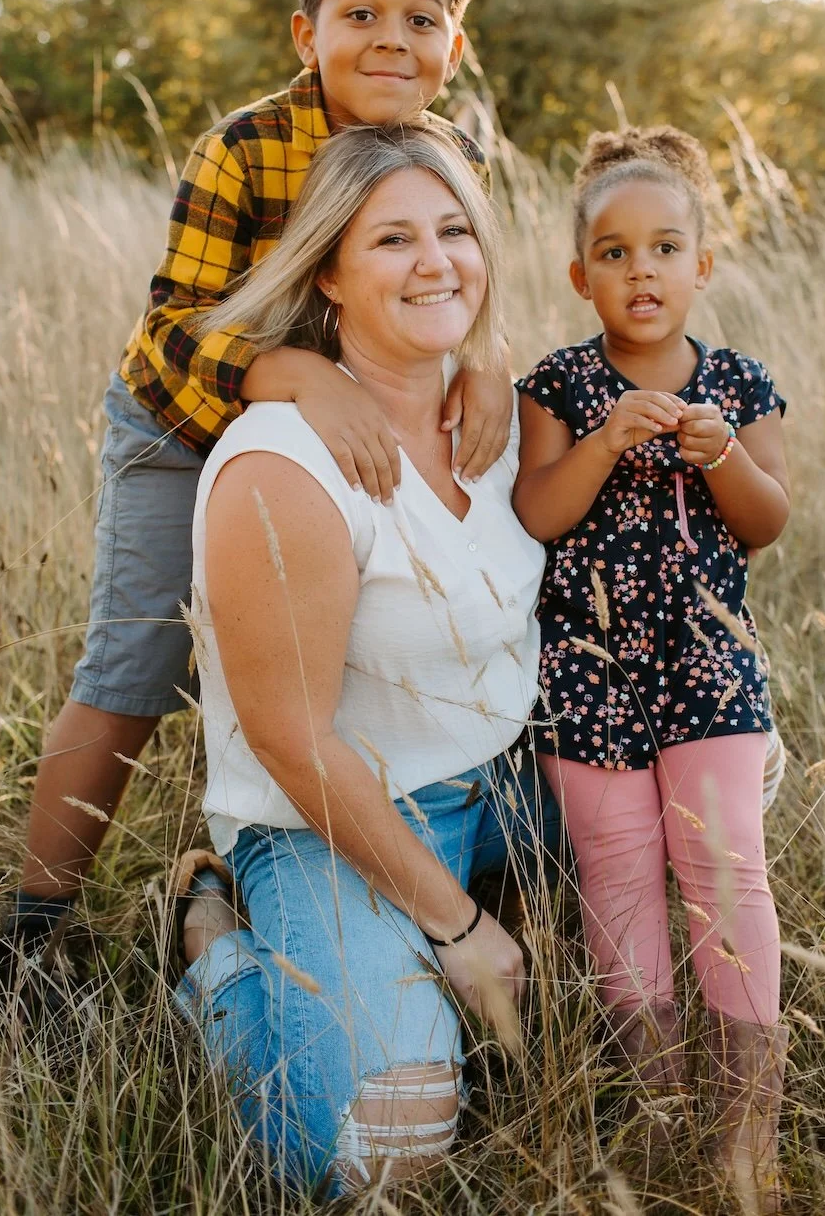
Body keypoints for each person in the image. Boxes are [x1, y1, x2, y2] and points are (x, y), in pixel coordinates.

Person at [0, 0, 516, 992]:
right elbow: (172, 327)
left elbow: (459, 285)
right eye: (359, 11)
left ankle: (275, 852)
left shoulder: (448, 151)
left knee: (338, 652)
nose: (390, 38)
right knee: (139, 659)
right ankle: (28, 937)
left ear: (454, 46)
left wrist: (488, 366)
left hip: (357, 425)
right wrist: (287, 373)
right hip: (186, 420)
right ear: (306, 33)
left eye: (421, 16)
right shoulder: (246, 146)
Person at [173, 121, 560, 1198]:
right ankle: (217, 955)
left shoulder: (500, 418)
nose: (436, 262)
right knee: (385, 1147)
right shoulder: (282, 466)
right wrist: (461, 926)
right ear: (330, 276)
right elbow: (292, 741)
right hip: (327, 821)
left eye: (454, 230)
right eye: (392, 240)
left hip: (509, 785)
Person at [513, 127, 790, 1210]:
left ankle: (745, 1124)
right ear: (581, 276)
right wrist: (598, 442)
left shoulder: (741, 383)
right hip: (587, 672)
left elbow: (767, 521)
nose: (642, 272)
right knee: (620, 876)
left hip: (709, 667)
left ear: (702, 266)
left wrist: (717, 451)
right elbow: (538, 513)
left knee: (724, 873)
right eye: (615, 254)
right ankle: (658, 1101)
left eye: (665, 248)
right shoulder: (557, 384)